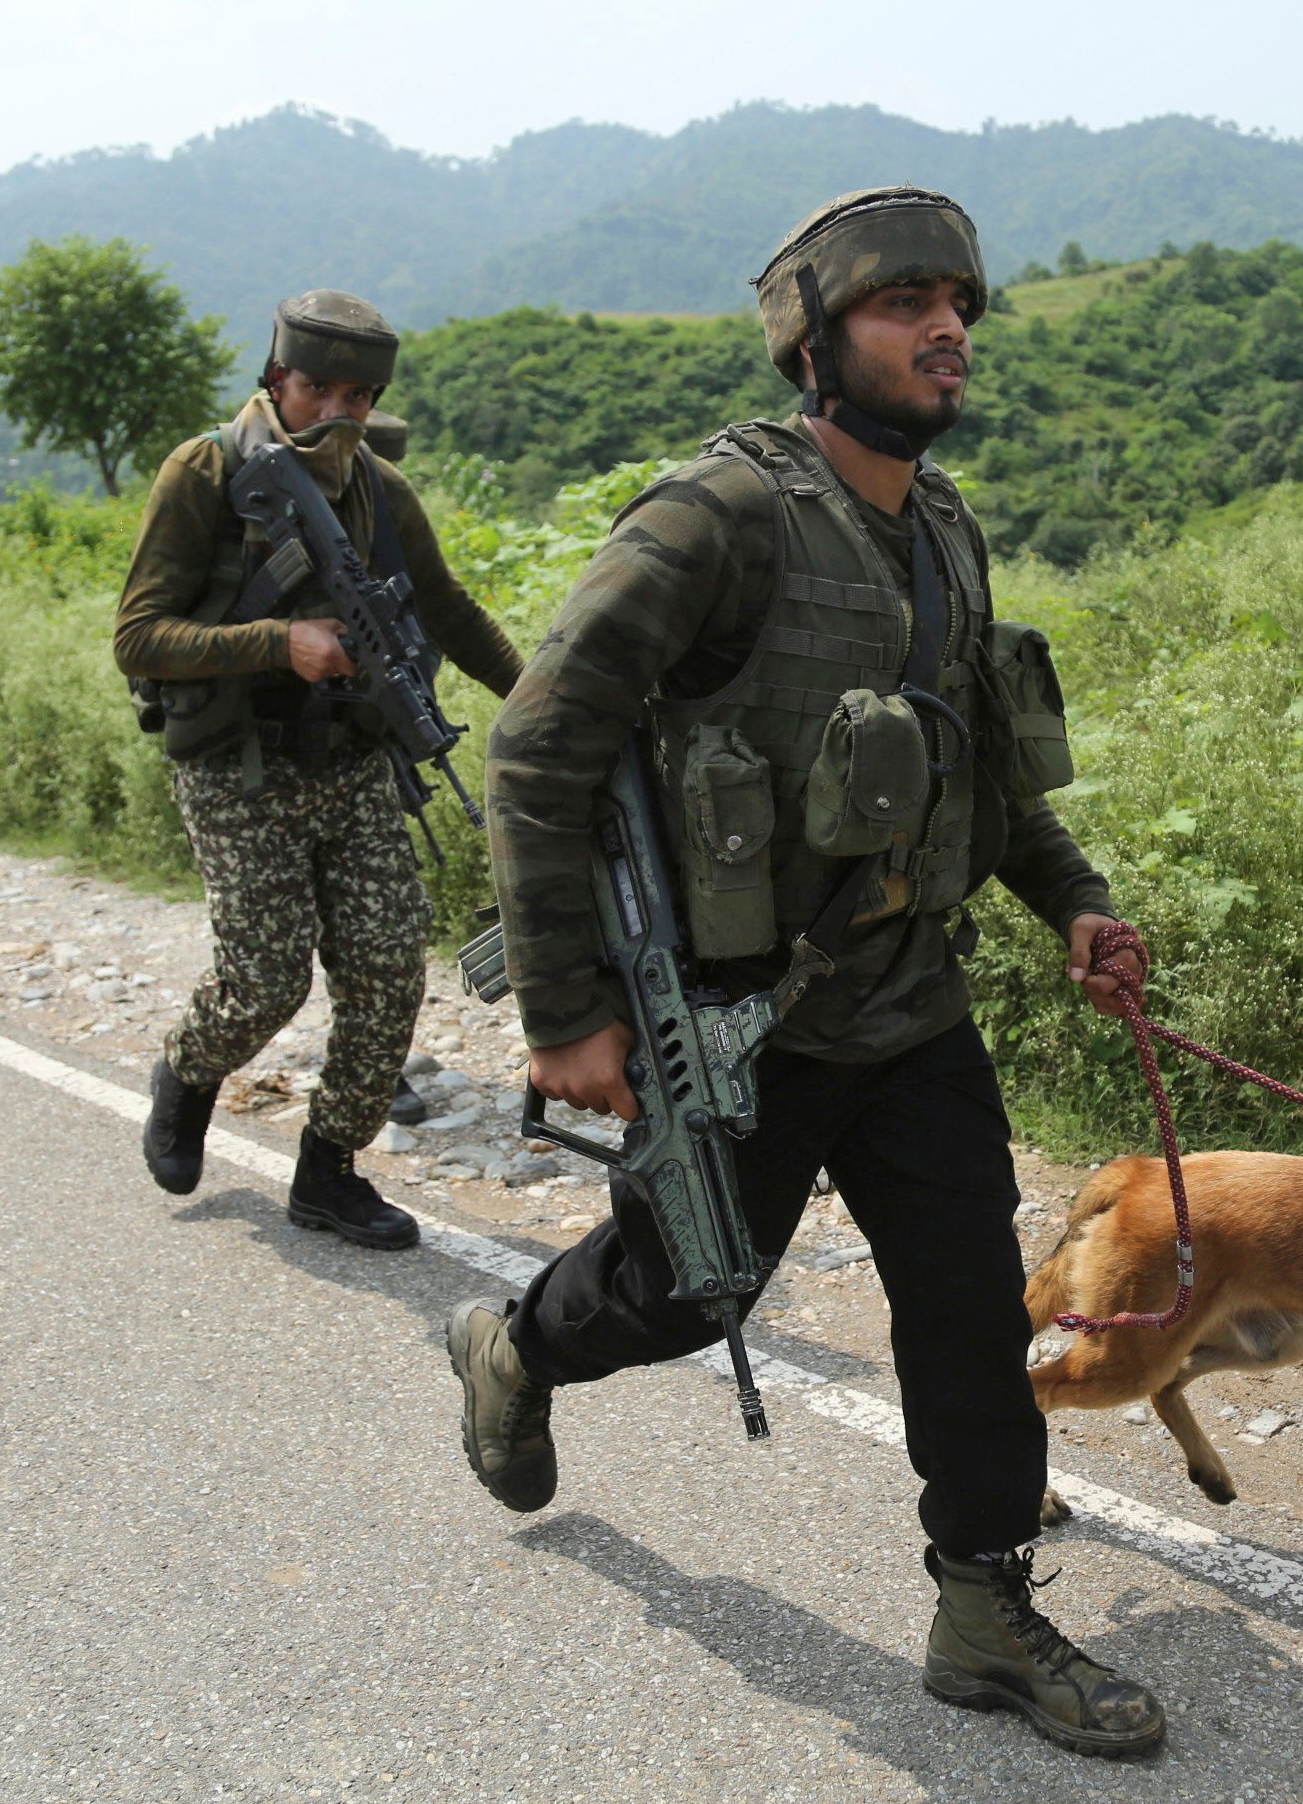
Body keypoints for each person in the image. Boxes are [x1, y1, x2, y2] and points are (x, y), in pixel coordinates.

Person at [444, 190, 1167, 1758]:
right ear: (815, 337)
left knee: (973, 1317)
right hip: (736, 1022)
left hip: (910, 1013)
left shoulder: (947, 533)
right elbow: (540, 747)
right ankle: (517, 1340)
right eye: (905, 300)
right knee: (680, 1294)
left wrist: (1075, 906)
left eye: (958, 299)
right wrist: (568, 1011)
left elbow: (987, 785)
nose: (946, 326)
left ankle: (980, 1609)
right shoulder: (714, 518)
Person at [114, 290, 521, 1248]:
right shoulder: (205, 472)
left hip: (350, 763)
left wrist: (543, 698)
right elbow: (139, 637)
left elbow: (451, 611)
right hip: (236, 766)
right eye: (318, 389)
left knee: (388, 967)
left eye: (360, 396)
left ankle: (329, 1174)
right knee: (262, 982)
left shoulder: (381, 487)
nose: (338, 411)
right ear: (275, 379)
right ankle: (188, 1070)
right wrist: (277, 642)